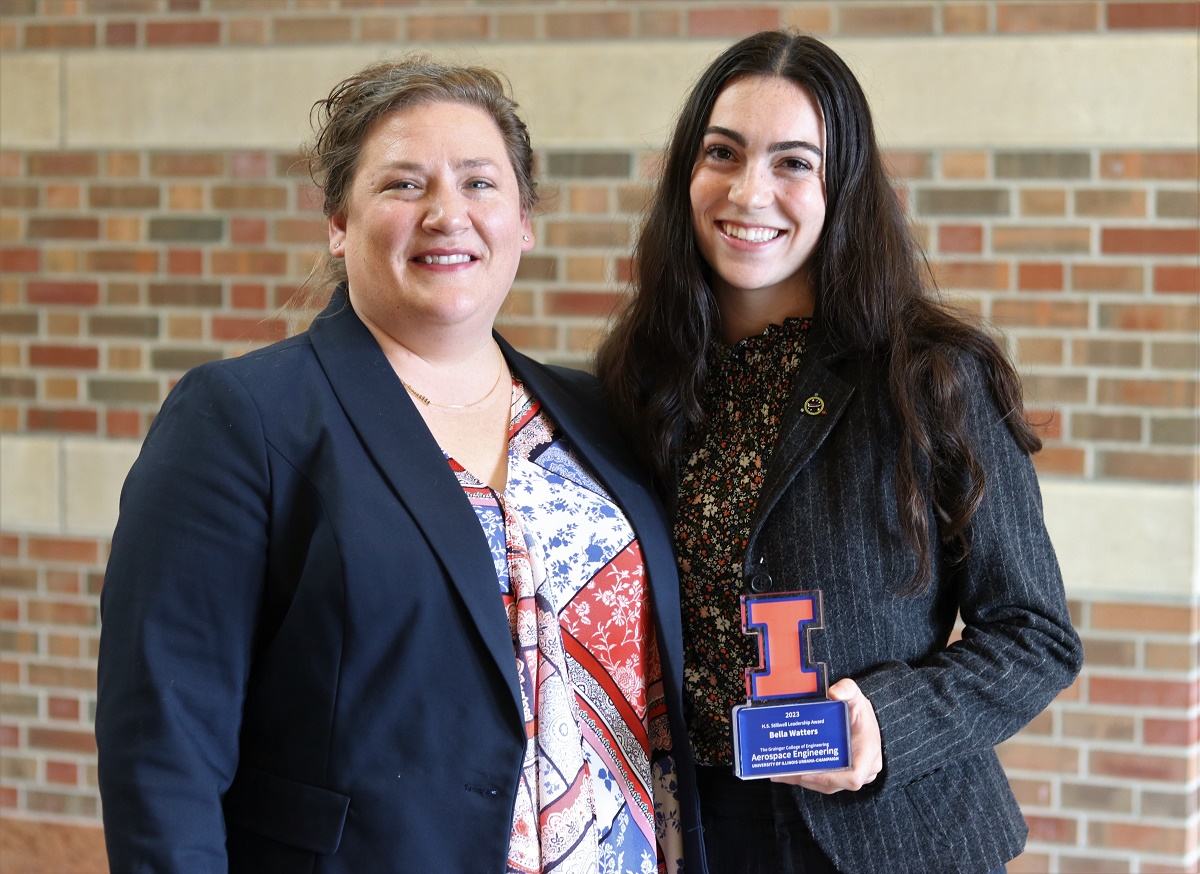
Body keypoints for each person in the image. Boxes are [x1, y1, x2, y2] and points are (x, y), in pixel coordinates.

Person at [96, 55, 704, 874]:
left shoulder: (601, 416)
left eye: (480, 183)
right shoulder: (243, 418)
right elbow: (163, 743)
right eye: (403, 185)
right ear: (339, 223)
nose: (446, 214)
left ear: (524, 221)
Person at [596, 30, 1083, 874]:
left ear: (842, 187)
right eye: (723, 153)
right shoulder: (641, 379)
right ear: (687, 173)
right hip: (697, 831)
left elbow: (1035, 635)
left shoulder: (929, 376)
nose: (751, 192)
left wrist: (885, 723)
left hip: (891, 835)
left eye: (793, 162)